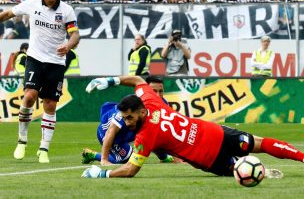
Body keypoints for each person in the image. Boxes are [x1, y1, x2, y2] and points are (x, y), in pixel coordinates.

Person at [82, 75, 304, 179]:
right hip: (212, 143)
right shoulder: (151, 101)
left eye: (129, 118)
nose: (127, 123)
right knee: (259, 145)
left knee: (254, 152)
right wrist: (111, 80)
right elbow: (139, 81)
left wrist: (102, 175)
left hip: (211, 150)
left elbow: (130, 170)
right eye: (125, 119)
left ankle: (275, 167)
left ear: (141, 112)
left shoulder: (144, 137)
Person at [0, 0, 80, 163]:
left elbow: (75, 35)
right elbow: (8, 14)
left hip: (56, 62)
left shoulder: (67, 10)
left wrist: (68, 46)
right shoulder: (32, 4)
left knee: (50, 105)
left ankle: (43, 149)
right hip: (35, 58)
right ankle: (22, 141)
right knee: (29, 96)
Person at [81, 76, 175, 165]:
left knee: (154, 131)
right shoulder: (132, 105)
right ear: (147, 90)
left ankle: (164, 158)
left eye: (161, 91)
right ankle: (94, 155)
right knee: (127, 159)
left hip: (128, 132)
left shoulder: (163, 104)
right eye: (154, 91)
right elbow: (111, 130)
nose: (158, 95)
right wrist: (104, 160)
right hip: (107, 132)